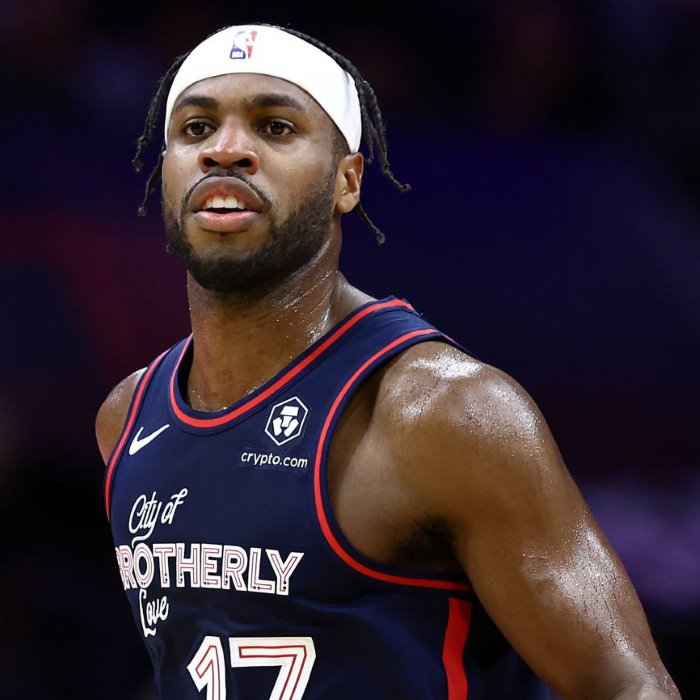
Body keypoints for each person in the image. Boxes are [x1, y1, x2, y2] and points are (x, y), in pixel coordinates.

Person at [95, 23, 680, 700]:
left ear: (346, 182)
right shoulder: (127, 418)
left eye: (275, 127)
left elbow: (630, 688)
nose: (226, 149)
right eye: (196, 128)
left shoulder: (445, 413)